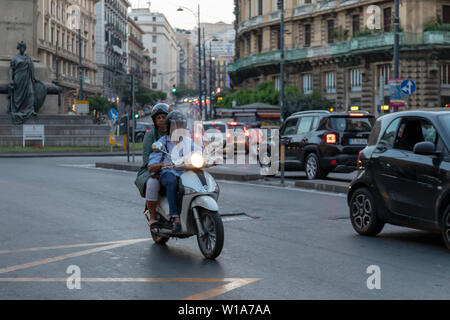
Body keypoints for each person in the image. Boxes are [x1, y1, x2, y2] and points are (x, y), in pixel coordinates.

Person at [148, 111, 195, 233]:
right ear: (169, 127)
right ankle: (175, 217)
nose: (178, 128)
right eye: (175, 125)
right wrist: (162, 164)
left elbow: (199, 151)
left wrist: (211, 157)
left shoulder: (187, 141)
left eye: (180, 125)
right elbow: (152, 165)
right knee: (171, 180)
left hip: (185, 172)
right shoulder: (162, 142)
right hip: (168, 173)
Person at [134, 103, 170, 227]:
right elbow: (147, 157)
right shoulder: (151, 135)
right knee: (152, 183)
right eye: (158, 117)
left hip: (176, 167)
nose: (161, 120)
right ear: (154, 120)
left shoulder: (176, 132)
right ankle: (153, 217)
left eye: (164, 117)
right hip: (154, 169)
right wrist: (157, 166)